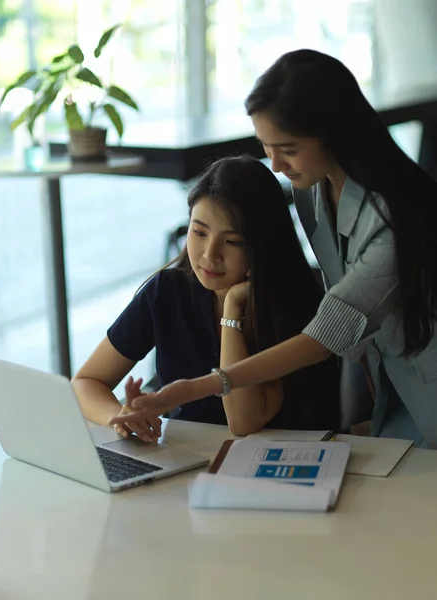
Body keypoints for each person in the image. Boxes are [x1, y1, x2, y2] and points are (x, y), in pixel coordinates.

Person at [112, 49, 437, 449]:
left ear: (333, 132)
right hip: (393, 378)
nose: (276, 164)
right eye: (266, 145)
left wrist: (193, 388)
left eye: (288, 147)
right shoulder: (312, 190)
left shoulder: (395, 215)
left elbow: (326, 335)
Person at [73, 154, 340, 441]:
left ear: (262, 244)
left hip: (280, 466)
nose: (210, 255)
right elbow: (86, 382)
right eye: (199, 232)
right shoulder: (168, 291)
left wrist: (232, 308)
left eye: (231, 241)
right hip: (189, 461)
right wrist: (119, 418)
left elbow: (243, 422)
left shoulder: (293, 303)